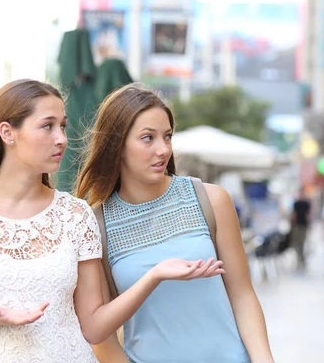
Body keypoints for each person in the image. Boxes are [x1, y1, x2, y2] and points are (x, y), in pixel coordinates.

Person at [0, 79, 224, 363]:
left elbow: (94, 326)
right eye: (48, 126)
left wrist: (154, 275)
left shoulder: (76, 215)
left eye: (63, 126)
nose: (61, 138)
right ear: (8, 132)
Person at [76, 83, 274, 363]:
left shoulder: (212, 200)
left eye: (167, 137)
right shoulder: (95, 225)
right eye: (148, 138)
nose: (163, 150)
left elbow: (242, 295)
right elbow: (101, 336)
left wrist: (264, 360)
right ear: (117, 145)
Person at [290, 187, 312, 272]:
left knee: (301, 244)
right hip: (297, 226)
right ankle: (300, 260)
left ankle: (302, 260)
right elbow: (294, 214)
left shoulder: (306, 203)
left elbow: (308, 215)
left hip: (303, 226)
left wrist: (309, 225)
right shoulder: (296, 203)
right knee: (296, 243)